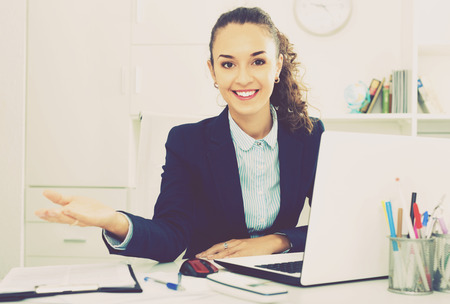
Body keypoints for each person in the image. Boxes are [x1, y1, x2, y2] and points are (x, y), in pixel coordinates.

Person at [35, 7, 324, 263]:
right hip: (209, 284)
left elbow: (333, 225)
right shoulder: (187, 143)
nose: (243, 78)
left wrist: (276, 241)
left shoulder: (310, 136)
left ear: (278, 66)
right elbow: (170, 236)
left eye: (258, 61)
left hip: (283, 282)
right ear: (212, 71)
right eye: (228, 64)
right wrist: (115, 221)